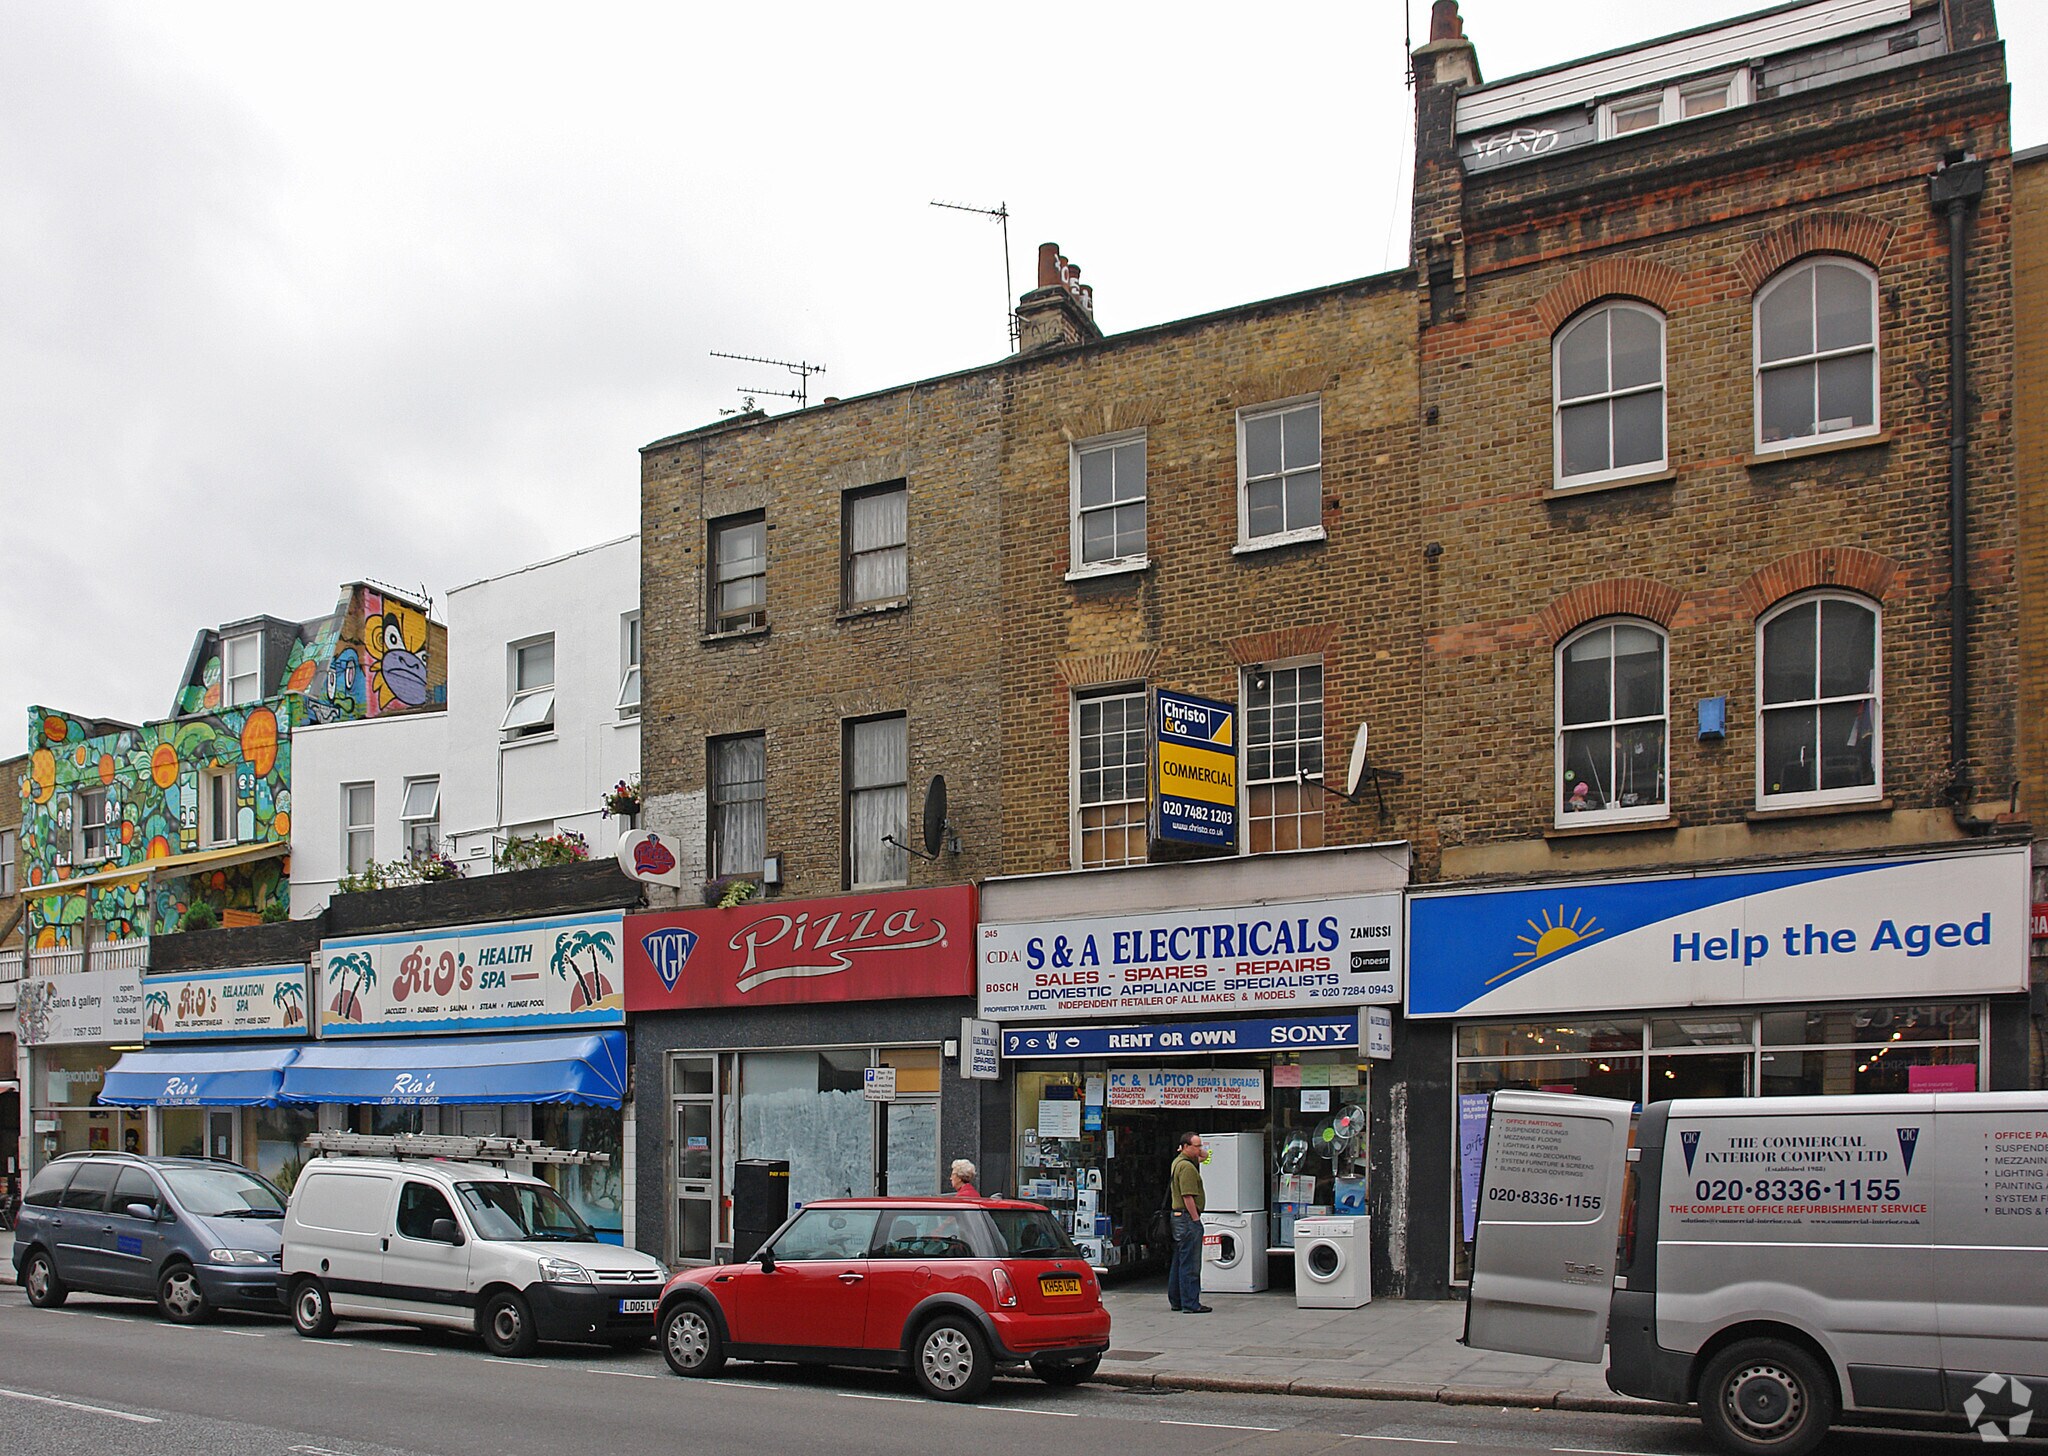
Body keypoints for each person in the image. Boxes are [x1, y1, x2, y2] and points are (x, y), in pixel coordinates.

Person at [1168, 1131, 1210, 1313]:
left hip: (1178, 1218)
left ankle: (1177, 1299)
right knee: (1190, 1263)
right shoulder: (1187, 1168)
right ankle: (1190, 1303)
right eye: (1197, 1146)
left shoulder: (1179, 1162)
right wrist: (1195, 1219)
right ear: (1185, 1147)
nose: (1200, 1149)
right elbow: (1188, 1196)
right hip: (1187, 1218)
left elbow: (1205, 1157)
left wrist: (1199, 1151)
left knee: (1179, 1259)